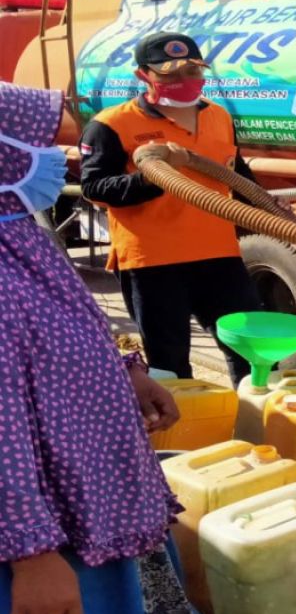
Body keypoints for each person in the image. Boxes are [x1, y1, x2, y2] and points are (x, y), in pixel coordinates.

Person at [0, 82, 213, 614]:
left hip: (91, 509)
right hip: (47, 547)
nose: (63, 159)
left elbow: (65, 332)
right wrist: (31, 554)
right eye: (41, 144)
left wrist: (127, 373)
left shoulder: (17, 238)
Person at [80, 32, 263, 383]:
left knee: (250, 351)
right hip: (153, 262)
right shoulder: (111, 125)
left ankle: (254, 425)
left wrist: (267, 207)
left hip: (218, 254)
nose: (184, 81)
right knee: (170, 363)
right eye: (169, 74)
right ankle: (185, 433)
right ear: (143, 76)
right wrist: (154, 177)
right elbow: (95, 188)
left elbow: (236, 172)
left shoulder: (219, 116)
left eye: (192, 72)